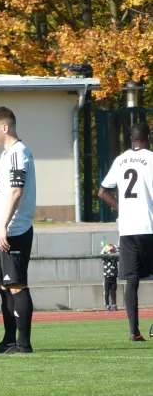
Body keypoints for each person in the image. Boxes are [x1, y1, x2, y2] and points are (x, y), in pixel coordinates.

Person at [0, 106, 36, 354]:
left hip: (14, 231)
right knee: (4, 287)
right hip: (2, 230)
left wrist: (2, 227)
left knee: (16, 285)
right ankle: (9, 339)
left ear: (5, 127)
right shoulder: (6, 155)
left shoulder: (17, 153)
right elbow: (2, 194)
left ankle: (23, 344)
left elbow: (16, 192)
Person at [98, 122, 153, 342]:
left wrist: (123, 207)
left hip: (128, 228)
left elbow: (103, 191)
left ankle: (134, 331)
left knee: (132, 281)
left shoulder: (121, 160)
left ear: (131, 139)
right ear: (148, 138)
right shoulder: (151, 159)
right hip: (149, 227)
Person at [100, 243, 119, 311]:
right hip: (107, 277)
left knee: (113, 292)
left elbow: (119, 254)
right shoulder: (105, 258)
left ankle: (114, 305)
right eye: (109, 250)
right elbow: (101, 254)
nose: (111, 252)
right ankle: (107, 305)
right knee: (106, 292)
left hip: (114, 277)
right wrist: (105, 248)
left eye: (112, 250)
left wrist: (115, 248)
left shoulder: (115, 258)